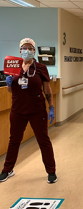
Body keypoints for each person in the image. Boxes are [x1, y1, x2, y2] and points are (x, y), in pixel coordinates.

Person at [0, 38, 57, 184]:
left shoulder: (41, 68)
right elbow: (10, 90)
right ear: (20, 51)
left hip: (37, 110)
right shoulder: (13, 67)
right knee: (14, 140)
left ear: (34, 50)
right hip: (18, 109)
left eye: (30, 48)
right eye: (24, 48)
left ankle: (51, 171)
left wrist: (51, 107)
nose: (27, 51)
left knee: (43, 140)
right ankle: (7, 170)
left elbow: (47, 89)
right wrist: (8, 84)